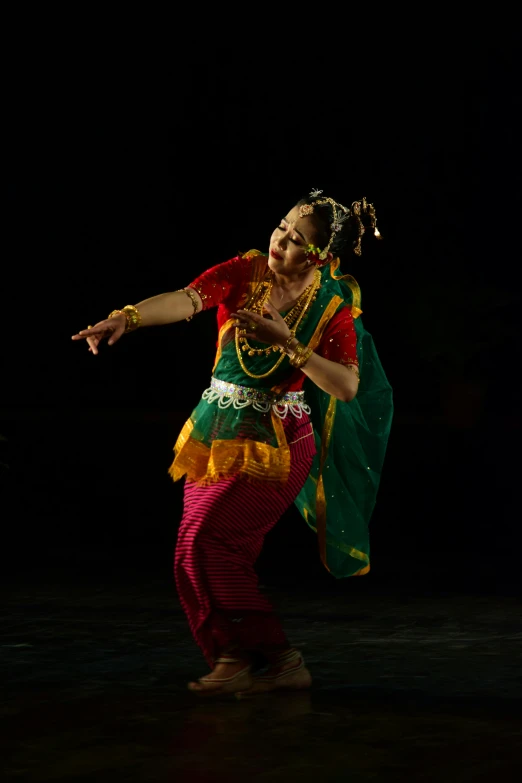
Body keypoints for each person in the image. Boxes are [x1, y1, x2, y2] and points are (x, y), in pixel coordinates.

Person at [72, 190, 393, 697]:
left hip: (279, 446)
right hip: (216, 433)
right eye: (281, 227)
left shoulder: (332, 309)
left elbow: (347, 387)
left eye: (295, 241)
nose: (280, 241)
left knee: (208, 544)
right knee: (189, 552)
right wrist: (127, 318)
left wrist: (289, 343)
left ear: (321, 258)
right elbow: (188, 298)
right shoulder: (245, 274)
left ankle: (278, 658)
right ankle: (233, 658)